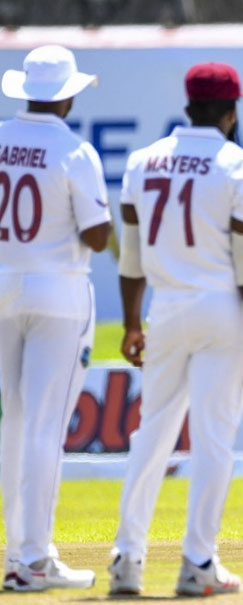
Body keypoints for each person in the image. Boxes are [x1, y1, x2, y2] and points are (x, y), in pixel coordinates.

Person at [109, 62, 243, 596]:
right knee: (214, 440)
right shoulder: (241, 167)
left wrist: (130, 322)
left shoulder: (143, 162)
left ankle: (126, 558)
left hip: (166, 307)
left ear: (188, 107)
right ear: (232, 112)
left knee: (152, 435)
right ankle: (197, 562)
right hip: (222, 308)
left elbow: (130, 257)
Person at [0, 45, 110, 592]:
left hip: (3, 285)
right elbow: (98, 235)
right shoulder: (74, 150)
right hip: (58, 292)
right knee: (44, 429)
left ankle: (18, 553)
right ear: (66, 96)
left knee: (14, 424)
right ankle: (33, 559)